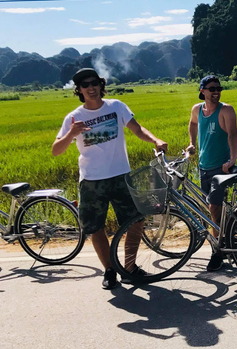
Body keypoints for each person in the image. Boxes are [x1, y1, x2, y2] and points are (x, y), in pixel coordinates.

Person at [52, 68, 167, 290]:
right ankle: (109, 270)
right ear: (80, 90)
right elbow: (56, 150)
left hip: (121, 175)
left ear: (100, 84)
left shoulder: (116, 106)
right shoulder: (73, 117)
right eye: (85, 85)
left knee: (136, 220)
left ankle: (130, 268)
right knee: (96, 228)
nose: (91, 87)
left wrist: (155, 140)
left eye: (94, 82)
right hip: (92, 181)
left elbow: (137, 128)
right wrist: (71, 133)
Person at [186, 75, 237, 271]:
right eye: (212, 88)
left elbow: (233, 134)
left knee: (213, 210)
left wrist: (232, 160)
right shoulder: (197, 110)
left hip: (220, 168)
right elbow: (192, 124)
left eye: (219, 88)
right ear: (202, 91)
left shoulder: (226, 110)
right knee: (213, 211)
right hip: (203, 167)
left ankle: (217, 253)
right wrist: (192, 143)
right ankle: (229, 238)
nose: (216, 92)